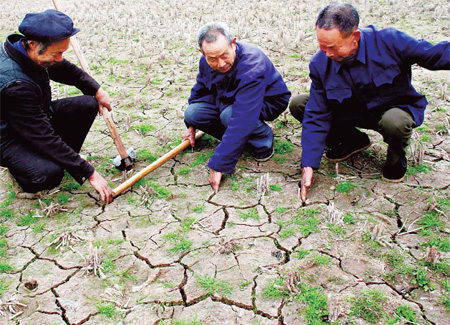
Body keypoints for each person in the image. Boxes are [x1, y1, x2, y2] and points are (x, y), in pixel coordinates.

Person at [289, 2, 449, 202]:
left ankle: (396, 162)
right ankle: (351, 140)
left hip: (391, 111)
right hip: (353, 112)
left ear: (354, 37)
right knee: (300, 104)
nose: (326, 52)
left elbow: (433, 55)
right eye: (321, 45)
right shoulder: (320, 63)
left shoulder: (389, 41)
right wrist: (309, 165)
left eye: (332, 47)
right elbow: (317, 113)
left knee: (396, 122)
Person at [0, 9, 113, 204]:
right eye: (57, 53)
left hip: (33, 117)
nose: (60, 57)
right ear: (33, 45)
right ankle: (23, 174)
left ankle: (62, 159)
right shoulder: (15, 84)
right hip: (7, 136)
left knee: (87, 104)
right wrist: (89, 172)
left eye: (63, 52)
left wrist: (96, 90)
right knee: (49, 175)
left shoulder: (27, 51)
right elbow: (41, 135)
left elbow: (63, 68)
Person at [182, 22, 291, 193]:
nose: (220, 63)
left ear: (233, 43)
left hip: (267, 101)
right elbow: (200, 91)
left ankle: (263, 141)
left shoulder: (252, 64)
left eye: (224, 54)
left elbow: (242, 117)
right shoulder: (206, 61)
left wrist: (220, 163)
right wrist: (191, 126)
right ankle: (236, 140)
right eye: (212, 58)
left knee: (230, 115)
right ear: (202, 53)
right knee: (193, 113)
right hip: (230, 98)